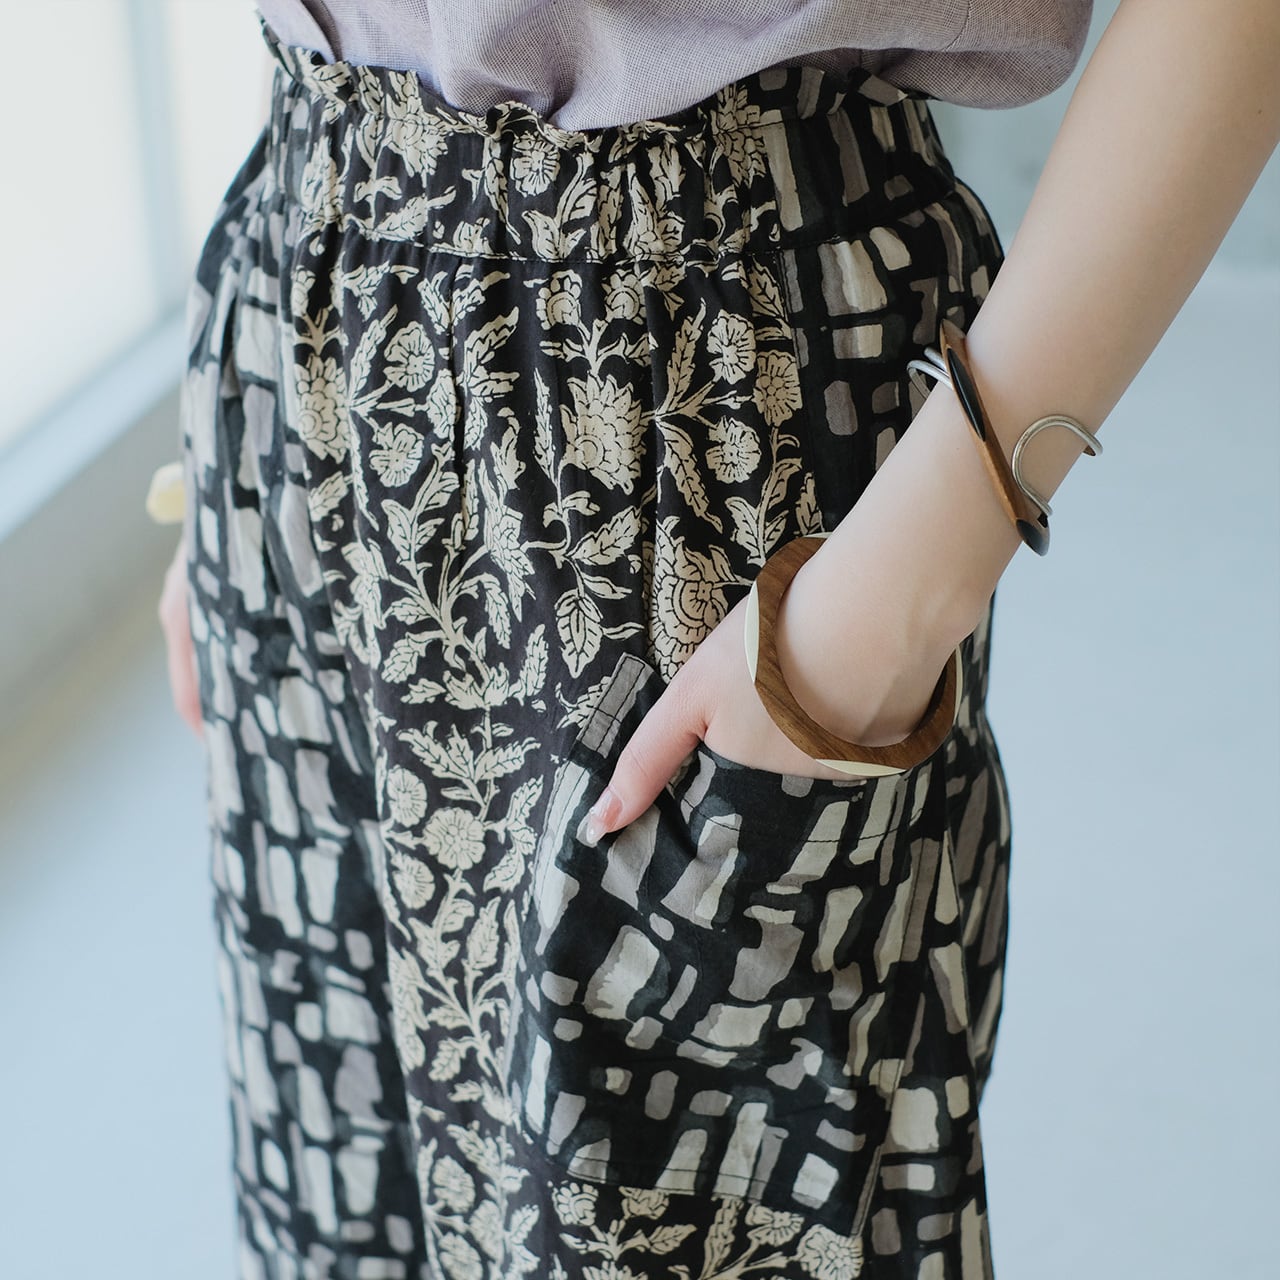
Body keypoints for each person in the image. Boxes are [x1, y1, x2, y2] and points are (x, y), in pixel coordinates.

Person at [154, 2, 1280, 1276]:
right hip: (309, 299)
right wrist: (261, 421)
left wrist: (906, 577)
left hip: (689, 384)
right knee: (351, 1205)